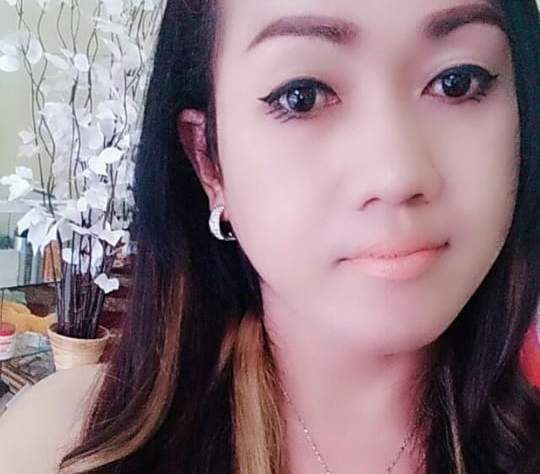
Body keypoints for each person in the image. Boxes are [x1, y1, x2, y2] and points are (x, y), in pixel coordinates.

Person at [1, 0, 539, 472]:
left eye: (457, 81)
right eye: (302, 96)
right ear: (208, 160)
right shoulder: (61, 446)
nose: (396, 176)